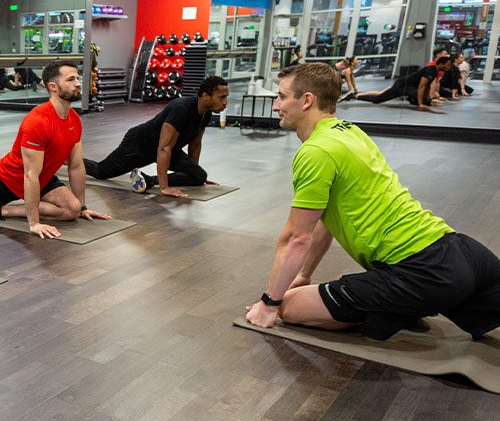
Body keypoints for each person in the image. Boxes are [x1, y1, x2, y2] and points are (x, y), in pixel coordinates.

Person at [245, 62, 499, 341]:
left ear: (307, 100)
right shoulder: (348, 131)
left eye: (281, 96)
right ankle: (404, 304)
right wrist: (304, 273)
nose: (275, 105)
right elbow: (324, 220)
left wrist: (270, 303)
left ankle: (395, 310)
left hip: (422, 272)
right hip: (460, 251)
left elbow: (296, 238)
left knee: (289, 308)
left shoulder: (316, 151)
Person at [0, 60, 111, 238]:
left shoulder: (74, 119)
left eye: (77, 77)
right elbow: (30, 176)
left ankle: (5, 211)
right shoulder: (37, 121)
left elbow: (76, 166)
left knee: (72, 210)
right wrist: (34, 223)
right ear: (53, 86)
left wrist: (82, 207)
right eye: (70, 79)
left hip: (43, 178)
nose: (77, 83)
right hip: (8, 178)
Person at [84, 76, 229, 198]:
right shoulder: (181, 108)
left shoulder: (206, 114)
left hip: (167, 149)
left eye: (226, 97)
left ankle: (147, 180)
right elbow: (163, 147)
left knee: (199, 176)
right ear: (205, 96)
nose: (225, 102)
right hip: (139, 144)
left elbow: (195, 144)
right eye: (221, 97)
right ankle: (67, 158)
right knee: (101, 171)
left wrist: (193, 172)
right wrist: (164, 187)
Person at [350, 56, 452, 111]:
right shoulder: (430, 70)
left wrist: (428, 99)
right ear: (441, 64)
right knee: (378, 99)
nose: (449, 67)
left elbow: (428, 86)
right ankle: (355, 96)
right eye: (447, 65)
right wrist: (421, 104)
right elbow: (422, 86)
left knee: (424, 99)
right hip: (402, 86)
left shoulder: (435, 71)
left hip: (408, 87)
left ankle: (413, 99)